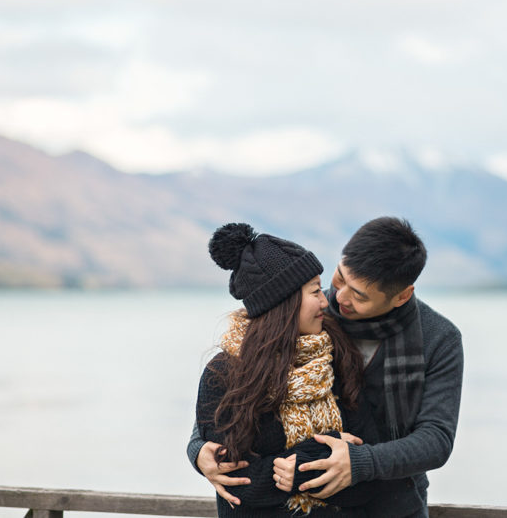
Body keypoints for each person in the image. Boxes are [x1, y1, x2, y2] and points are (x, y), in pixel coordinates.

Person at [189, 217, 464, 518]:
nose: (338, 298)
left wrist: (356, 461)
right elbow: (228, 405)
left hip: (396, 505)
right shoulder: (315, 321)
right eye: (339, 278)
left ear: (402, 296)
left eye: (359, 294)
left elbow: (436, 439)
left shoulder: (437, 338)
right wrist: (197, 448)